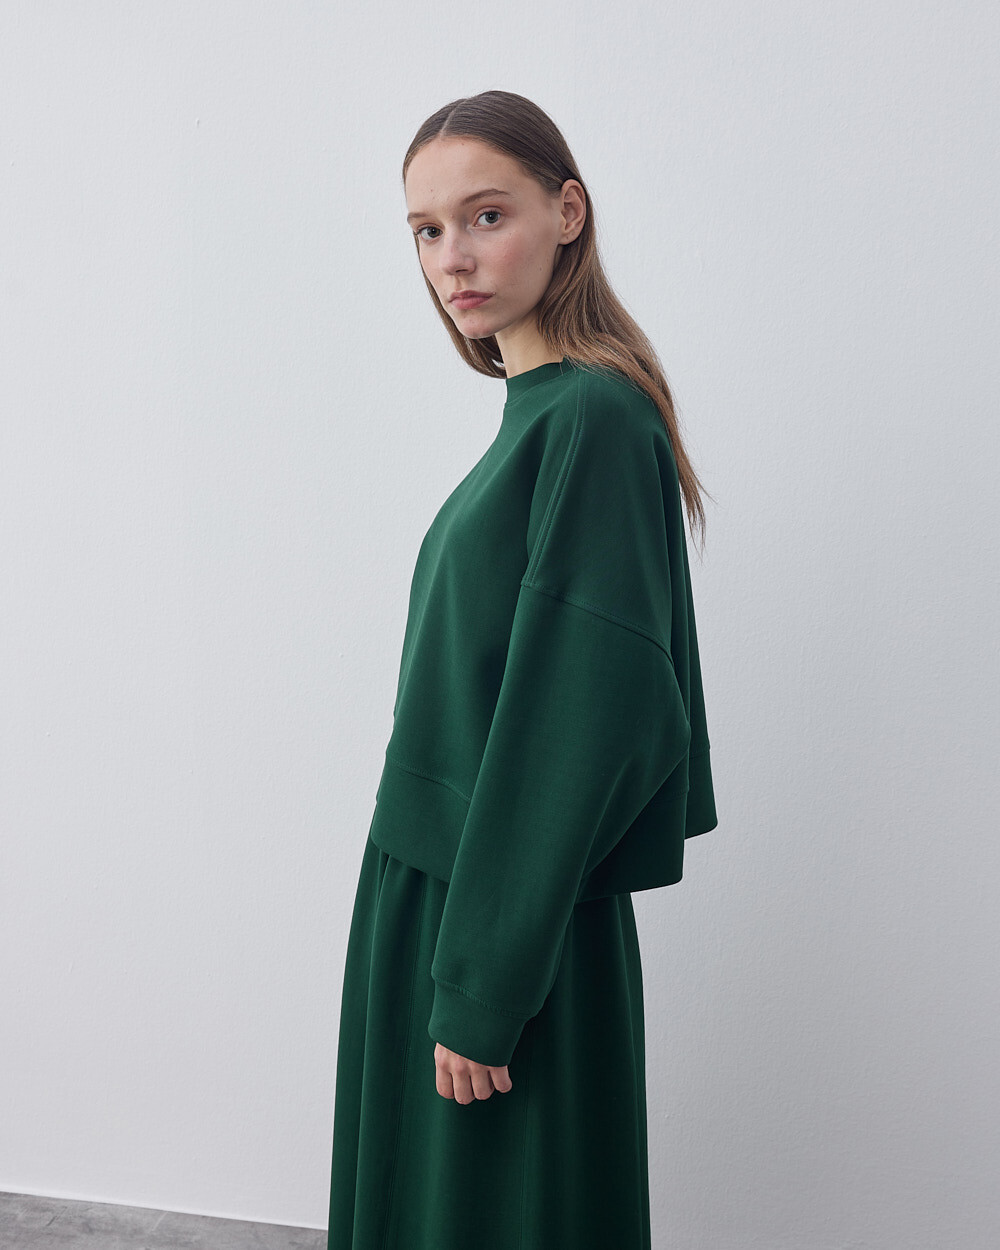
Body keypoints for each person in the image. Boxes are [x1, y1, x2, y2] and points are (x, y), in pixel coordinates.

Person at [327, 89, 718, 1250]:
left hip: (500, 919)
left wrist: (485, 983)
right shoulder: (538, 417)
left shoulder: (592, 418)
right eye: (426, 229)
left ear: (567, 212)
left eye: (485, 215)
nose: (452, 256)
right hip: (450, 897)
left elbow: (581, 720)